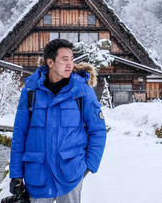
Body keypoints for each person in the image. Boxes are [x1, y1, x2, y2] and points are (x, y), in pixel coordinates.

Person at [9, 39, 107, 203]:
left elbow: (98, 130)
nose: (70, 64)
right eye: (64, 59)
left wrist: (87, 166)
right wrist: (16, 174)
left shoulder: (82, 91)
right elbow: (20, 134)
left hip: (70, 176)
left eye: (71, 59)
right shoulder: (31, 91)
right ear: (50, 62)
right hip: (37, 176)